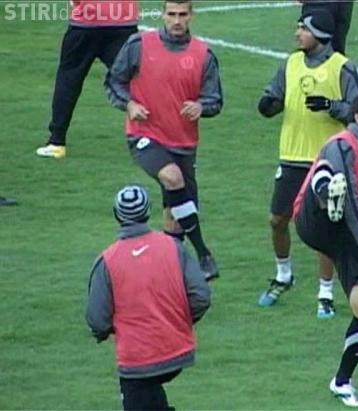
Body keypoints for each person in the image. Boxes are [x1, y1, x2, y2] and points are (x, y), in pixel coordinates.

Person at [257, 8, 358, 317]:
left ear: (320, 33)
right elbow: (275, 95)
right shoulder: (291, 62)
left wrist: (332, 106)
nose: (297, 34)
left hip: (326, 160)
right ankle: (283, 274)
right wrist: (268, 104)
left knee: (324, 228)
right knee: (277, 220)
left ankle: (325, 292)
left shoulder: (342, 67)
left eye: (303, 29)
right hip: (292, 156)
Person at [105, 0, 223, 280]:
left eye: (182, 15)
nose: (177, 21)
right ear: (163, 15)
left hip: (184, 142)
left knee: (175, 215)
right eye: (172, 14)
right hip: (144, 135)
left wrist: (201, 106)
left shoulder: (204, 55)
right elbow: (114, 81)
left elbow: (215, 100)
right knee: (172, 178)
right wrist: (130, 105)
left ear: (192, 15)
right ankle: (204, 253)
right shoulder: (139, 45)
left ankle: (171, 275)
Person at [293, 91, 358, 407]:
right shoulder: (343, 144)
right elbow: (353, 202)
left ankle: (341, 382)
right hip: (315, 222)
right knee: (332, 178)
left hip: (346, 235)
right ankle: (326, 193)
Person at [86, 185, 211, 411]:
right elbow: (201, 296)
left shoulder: (107, 260)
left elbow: (97, 320)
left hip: (137, 361)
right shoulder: (173, 247)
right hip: (177, 350)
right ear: (147, 211)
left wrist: (111, 331)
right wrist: (177, 321)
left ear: (117, 215)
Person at [36, 0, 140, 158]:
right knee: (138, 80)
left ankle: (57, 142)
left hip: (86, 22)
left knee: (69, 79)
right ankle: (155, 136)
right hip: (124, 21)